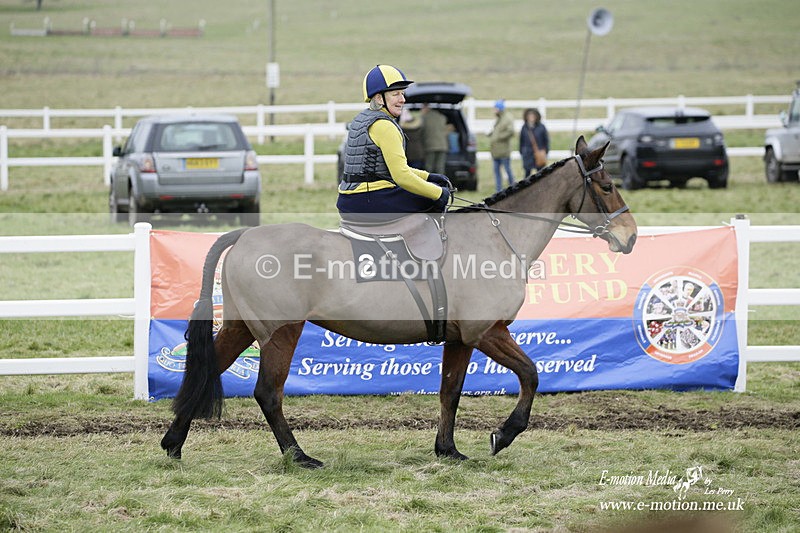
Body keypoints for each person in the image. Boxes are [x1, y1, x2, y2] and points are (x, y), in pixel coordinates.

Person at [337, 65, 451, 221]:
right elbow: (401, 176)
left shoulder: (362, 118)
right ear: (378, 98)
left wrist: (429, 176)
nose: (402, 99)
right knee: (429, 200)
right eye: (395, 94)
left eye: (402, 93)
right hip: (369, 199)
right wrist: (439, 193)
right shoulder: (385, 126)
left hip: (348, 199)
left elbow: (391, 169)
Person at [489, 99, 516, 191]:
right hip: (496, 151)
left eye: (495, 108)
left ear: (500, 108)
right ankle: (498, 190)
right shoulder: (499, 118)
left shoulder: (507, 118)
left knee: (508, 170)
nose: (494, 110)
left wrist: (498, 137)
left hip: (503, 151)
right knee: (497, 172)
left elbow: (511, 131)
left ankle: (513, 187)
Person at [519, 108, 549, 177]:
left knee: (540, 174)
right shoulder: (524, 127)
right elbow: (521, 141)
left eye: (533, 116)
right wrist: (522, 151)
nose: (531, 118)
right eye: (529, 116)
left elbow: (546, 140)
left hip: (538, 154)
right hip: (527, 154)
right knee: (527, 174)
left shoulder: (541, 127)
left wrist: (545, 151)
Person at [421, 103, 449, 175]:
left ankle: (430, 184)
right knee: (440, 167)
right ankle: (442, 183)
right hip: (443, 145)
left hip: (430, 145)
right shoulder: (442, 117)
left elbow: (421, 131)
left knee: (429, 167)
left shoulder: (424, 118)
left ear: (426, 108)